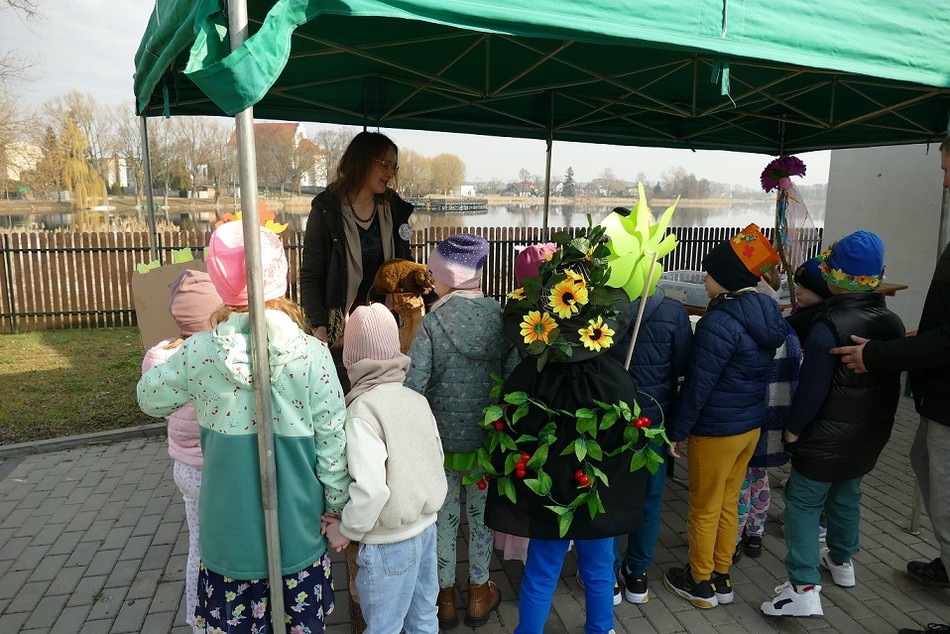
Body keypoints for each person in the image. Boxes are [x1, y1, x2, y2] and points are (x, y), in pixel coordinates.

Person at [137, 221, 351, 634]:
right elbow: (332, 443)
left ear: (218, 280)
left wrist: (167, 355)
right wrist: (337, 508)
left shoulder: (198, 352)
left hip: (226, 540)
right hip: (298, 533)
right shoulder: (313, 355)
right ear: (280, 276)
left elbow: (150, 398)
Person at [483, 222, 653, 634]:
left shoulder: (529, 374)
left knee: (542, 571)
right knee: (598, 568)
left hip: (548, 492)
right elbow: (625, 441)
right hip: (595, 492)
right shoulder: (615, 378)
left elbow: (512, 435)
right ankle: (601, 628)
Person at [832, 140, 950, 634]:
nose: (945, 182)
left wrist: (878, 355)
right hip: (937, 398)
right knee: (924, 463)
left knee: (945, 497)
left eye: (949, 170)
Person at [761, 230, 905, 618]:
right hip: (869, 434)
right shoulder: (892, 323)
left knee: (803, 502)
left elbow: (812, 387)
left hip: (824, 435)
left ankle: (803, 587)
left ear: (833, 276)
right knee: (847, 494)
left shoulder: (829, 324)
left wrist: (793, 428)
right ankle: (841, 561)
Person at [664, 223, 785, 609]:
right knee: (728, 501)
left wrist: (676, 430)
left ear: (727, 279)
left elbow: (697, 386)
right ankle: (721, 575)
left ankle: (699, 582)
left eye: (709, 273)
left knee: (704, 507)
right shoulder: (767, 311)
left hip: (716, 430)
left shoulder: (718, 323)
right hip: (748, 426)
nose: (704, 278)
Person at [404, 233, 517, 629]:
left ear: (448, 277)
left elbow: (414, 387)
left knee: (445, 519)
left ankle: (445, 598)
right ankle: (480, 592)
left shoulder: (432, 323)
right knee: (481, 518)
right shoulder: (501, 319)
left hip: (442, 442)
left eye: (435, 274)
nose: (431, 281)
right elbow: (513, 379)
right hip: (487, 439)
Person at [321, 304, 448, 634]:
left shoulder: (362, 411)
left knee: (384, 627)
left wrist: (346, 528)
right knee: (425, 617)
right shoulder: (416, 400)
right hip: (426, 529)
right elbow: (436, 459)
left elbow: (372, 490)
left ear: (350, 359)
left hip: (388, 542)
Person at [140, 269, 222, 634]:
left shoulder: (160, 358)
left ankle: (198, 618)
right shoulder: (215, 356)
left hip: (185, 470)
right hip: (216, 469)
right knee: (225, 545)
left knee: (198, 545)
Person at [607, 278, 692, 604]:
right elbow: (681, 364)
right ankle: (638, 574)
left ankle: (608, 573)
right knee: (650, 498)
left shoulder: (603, 307)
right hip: (654, 420)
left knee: (610, 496)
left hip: (611, 418)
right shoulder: (673, 311)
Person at [299, 131, 414, 351]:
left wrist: (434, 299)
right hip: (341, 333)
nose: (390, 173)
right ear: (362, 161)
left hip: (387, 329)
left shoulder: (395, 209)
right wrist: (319, 326)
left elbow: (405, 266)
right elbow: (311, 275)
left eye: (394, 167)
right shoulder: (326, 210)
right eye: (385, 165)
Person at [735, 305, 802, 562]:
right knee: (760, 478)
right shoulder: (788, 332)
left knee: (739, 483)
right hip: (773, 419)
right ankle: (755, 535)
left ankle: (734, 538)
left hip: (745, 419)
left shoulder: (745, 330)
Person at [786, 256, 833, 343]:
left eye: (805, 287)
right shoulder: (804, 312)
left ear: (822, 290)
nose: (797, 292)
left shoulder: (815, 323)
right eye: (798, 285)